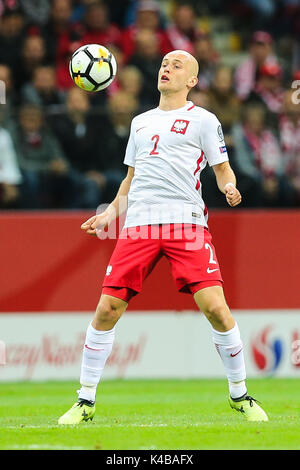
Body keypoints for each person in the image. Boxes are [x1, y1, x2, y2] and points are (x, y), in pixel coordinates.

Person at [58, 50, 268, 425]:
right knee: (107, 310)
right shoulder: (140, 123)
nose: (166, 68)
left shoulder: (203, 120)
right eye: (164, 64)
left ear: (192, 80)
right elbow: (129, 182)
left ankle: (240, 395)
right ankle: (84, 401)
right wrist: (109, 213)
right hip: (139, 224)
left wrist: (230, 187)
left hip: (185, 224)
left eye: (177, 65)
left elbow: (222, 169)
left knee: (216, 309)